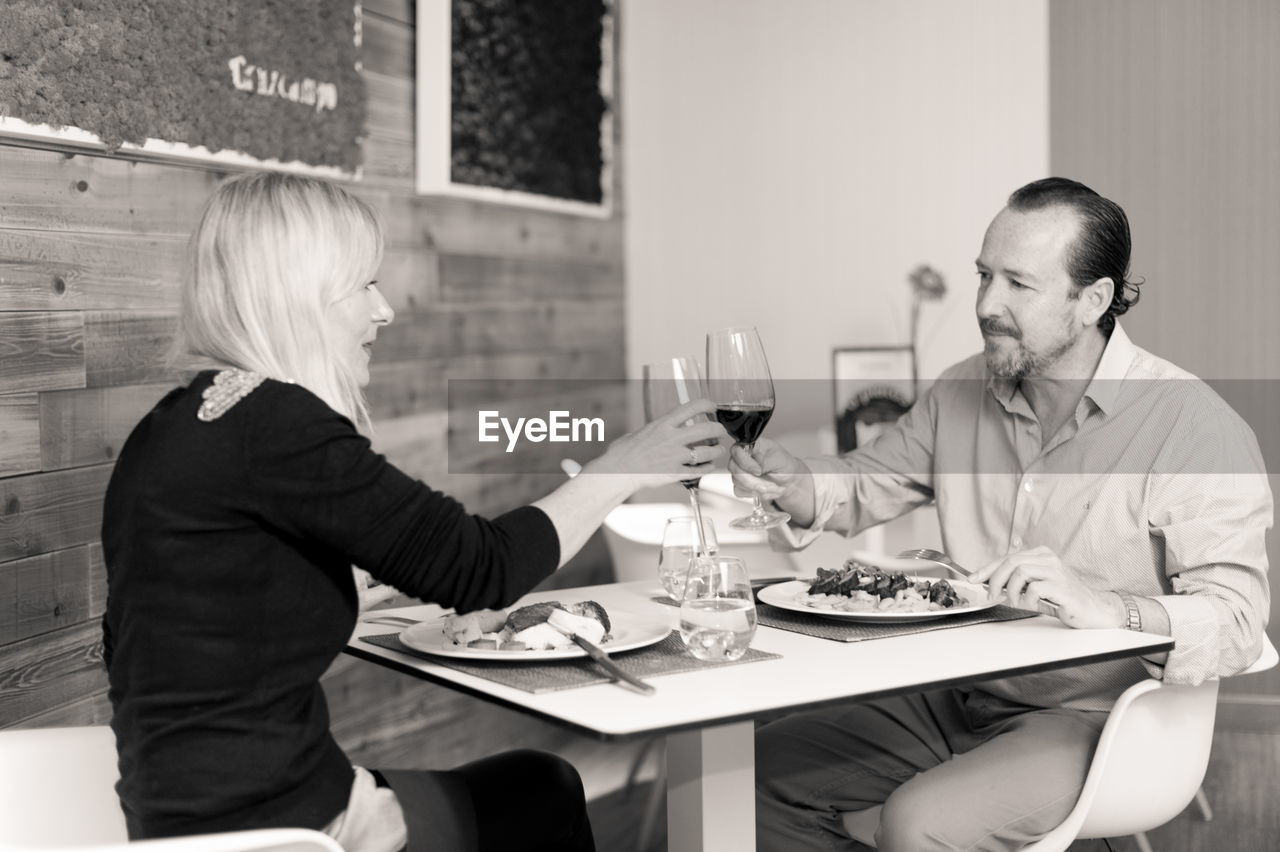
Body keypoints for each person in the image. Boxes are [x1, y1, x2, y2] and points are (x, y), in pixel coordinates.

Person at [100, 172, 728, 852]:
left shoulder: (176, 422)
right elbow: (484, 568)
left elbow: (187, 620)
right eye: (364, 284)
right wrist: (627, 466)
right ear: (301, 295)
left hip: (183, 819)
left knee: (530, 785)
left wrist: (365, 588)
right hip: (278, 827)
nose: (385, 310)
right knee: (543, 789)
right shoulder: (277, 423)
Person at [731, 177, 1272, 850]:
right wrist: (796, 483)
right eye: (985, 275)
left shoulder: (1191, 426)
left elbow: (1239, 620)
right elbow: (865, 482)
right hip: (952, 689)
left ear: (1092, 300)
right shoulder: (961, 389)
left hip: (1098, 720)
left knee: (918, 824)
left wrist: (1112, 609)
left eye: (1020, 284)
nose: (987, 304)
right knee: (753, 777)